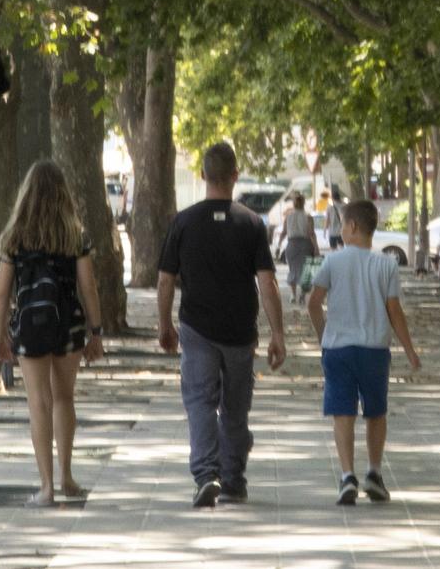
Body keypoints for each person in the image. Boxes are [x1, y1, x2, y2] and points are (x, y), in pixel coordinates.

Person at [157, 141, 287, 508]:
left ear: (202, 175)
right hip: (240, 331)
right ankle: (232, 478)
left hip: (196, 327)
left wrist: (164, 324)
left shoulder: (183, 222)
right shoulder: (251, 223)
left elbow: (166, 279)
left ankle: (205, 474)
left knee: (200, 401)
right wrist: (278, 334)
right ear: (235, 175)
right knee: (235, 405)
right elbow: (267, 282)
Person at [0, 161, 104, 508]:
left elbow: (1, 292)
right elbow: (88, 286)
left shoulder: (15, 237)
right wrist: (95, 331)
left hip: (29, 326)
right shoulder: (75, 235)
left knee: (38, 402)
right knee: (64, 398)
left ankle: (46, 487)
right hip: (68, 323)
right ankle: (67, 476)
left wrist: (0, 333)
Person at [307, 198, 422, 506]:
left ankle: (347, 476)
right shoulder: (386, 264)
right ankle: (374, 472)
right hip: (374, 349)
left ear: (353, 227)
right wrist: (410, 350)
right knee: (375, 412)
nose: (340, 229)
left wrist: (324, 334)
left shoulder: (332, 262)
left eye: (342, 224)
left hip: (338, 349)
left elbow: (313, 302)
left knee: (342, 413)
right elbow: (394, 310)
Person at [277, 192, 319, 306]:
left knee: (293, 270)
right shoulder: (308, 217)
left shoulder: (288, 217)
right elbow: (311, 233)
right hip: (306, 244)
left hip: (292, 245)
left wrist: (278, 245)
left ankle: (293, 294)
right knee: (307, 272)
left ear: (294, 204)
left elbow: (283, 233)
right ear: (304, 203)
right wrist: (316, 248)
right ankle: (302, 295)